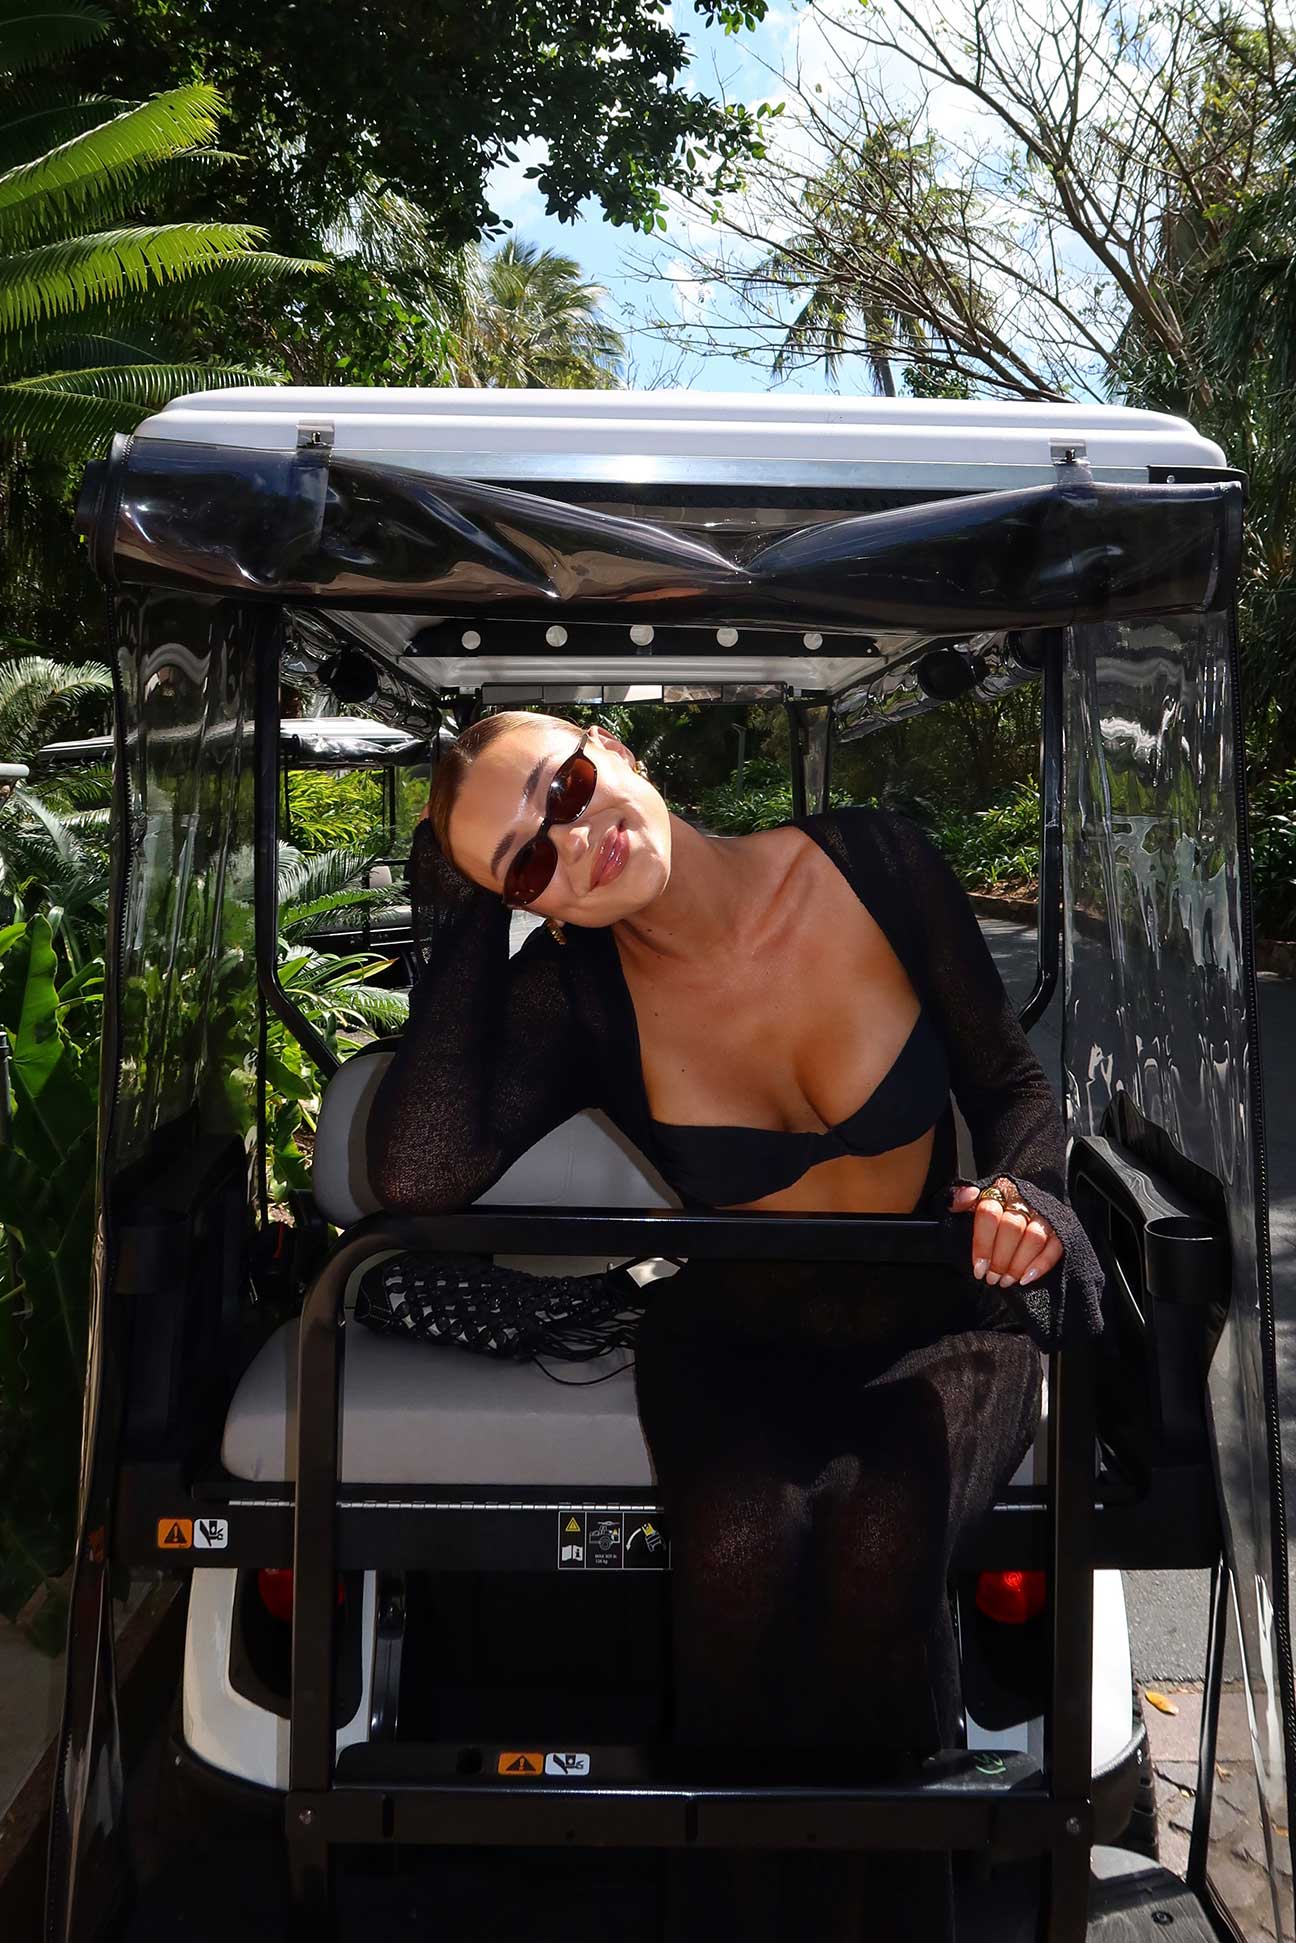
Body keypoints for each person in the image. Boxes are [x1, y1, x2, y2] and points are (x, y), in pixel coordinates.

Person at [367, 711, 1105, 1941]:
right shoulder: (574, 992)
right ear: (530, 907)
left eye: (566, 786)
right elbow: (419, 1169)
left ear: (619, 746)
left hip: (943, 1311)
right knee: (740, 1547)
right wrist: (467, 908)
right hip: (735, 1326)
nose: (572, 838)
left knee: (880, 1534)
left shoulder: (877, 861)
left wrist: (1026, 1198)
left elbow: (1015, 1086)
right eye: (527, 861)